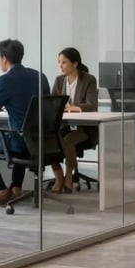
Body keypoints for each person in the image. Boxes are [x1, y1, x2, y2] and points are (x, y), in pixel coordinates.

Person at [0, 39, 49, 206]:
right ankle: (16, 187)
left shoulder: (5, 80)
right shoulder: (40, 76)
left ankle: (0, 190)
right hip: (43, 140)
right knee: (20, 132)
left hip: (21, 142)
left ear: (4, 59)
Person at [50, 48, 98, 193]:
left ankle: (69, 175)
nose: (61, 66)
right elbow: (52, 102)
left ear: (75, 63)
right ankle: (58, 175)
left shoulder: (88, 79)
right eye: (59, 62)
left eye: (64, 62)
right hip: (63, 126)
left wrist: (72, 108)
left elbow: (92, 104)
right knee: (48, 139)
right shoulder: (59, 80)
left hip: (84, 129)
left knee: (68, 140)